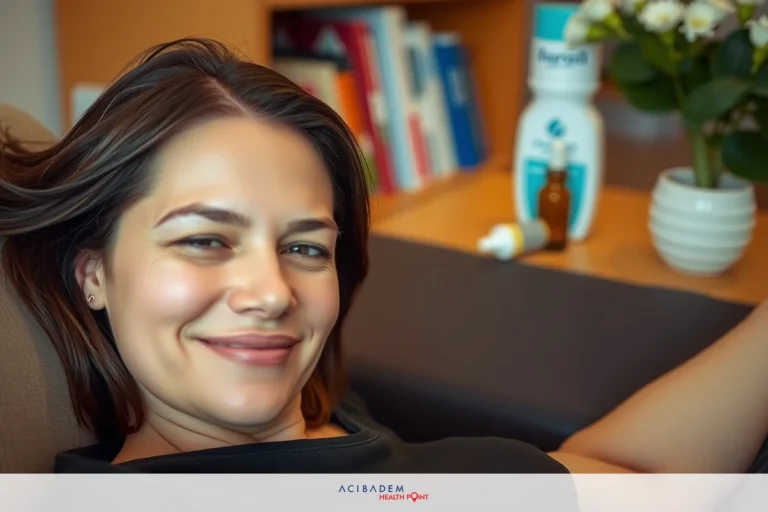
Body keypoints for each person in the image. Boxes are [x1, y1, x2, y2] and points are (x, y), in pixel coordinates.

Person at [1, 38, 767, 475]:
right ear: (93, 272)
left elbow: (625, 476)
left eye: (305, 246)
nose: (271, 291)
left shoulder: (313, 422)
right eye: (206, 239)